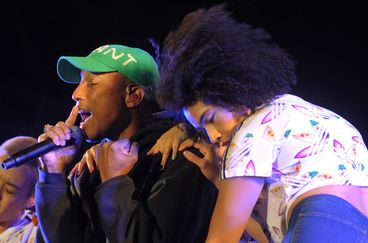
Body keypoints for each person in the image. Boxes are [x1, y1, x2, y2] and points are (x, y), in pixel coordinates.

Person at [155, 4, 368, 243]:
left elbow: (221, 238)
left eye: (210, 120)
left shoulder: (252, 130)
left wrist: (227, 179)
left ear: (228, 95)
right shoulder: (310, 114)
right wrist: (219, 180)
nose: (212, 135)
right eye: (203, 130)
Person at [34, 44, 217, 243]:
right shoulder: (91, 167)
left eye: (92, 83)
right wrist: (52, 175)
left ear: (133, 96)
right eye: (80, 82)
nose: (75, 93)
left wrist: (115, 186)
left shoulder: (180, 156)